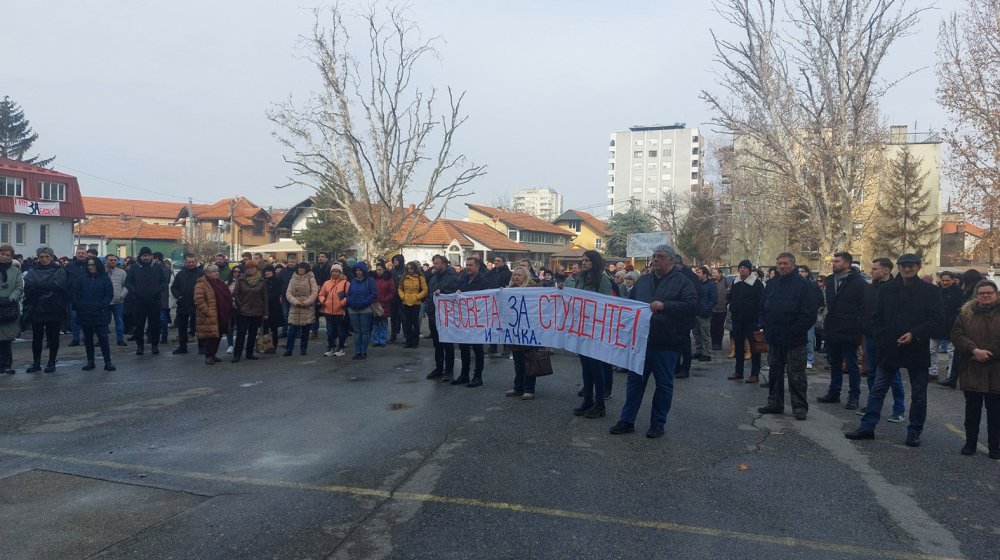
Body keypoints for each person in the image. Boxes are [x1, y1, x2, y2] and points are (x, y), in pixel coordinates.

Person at [846, 254, 943, 447]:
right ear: (898, 267)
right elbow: (876, 317)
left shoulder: (930, 291)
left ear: (918, 267)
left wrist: (914, 334)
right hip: (890, 346)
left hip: (916, 346)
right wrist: (882, 337)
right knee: (878, 389)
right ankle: (867, 427)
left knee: (918, 394)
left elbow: (936, 320)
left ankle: (914, 432)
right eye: (904, 266)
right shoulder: (887, 289)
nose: (907, 269)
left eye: (912, 266)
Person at [610, 245, 697, 438]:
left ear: (671, 261)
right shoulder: (644, 281)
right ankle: (627, 420)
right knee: (634, 383)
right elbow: (630, 304)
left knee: (664, 385)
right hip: (640, 343)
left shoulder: (683, 282)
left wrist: (665, 306)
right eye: (654, 256)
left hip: (666, 343)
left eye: (660, 257)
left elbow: (691, 307)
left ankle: (657, 423)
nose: (655, 260)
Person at [757, 253, 818, 421]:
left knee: (796, 375)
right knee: (774, 373)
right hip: (774, 338)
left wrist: (794, 331)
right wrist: (764, 325)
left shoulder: (803, 287)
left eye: (785, 263)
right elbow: (762, 307)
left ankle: (799, 407)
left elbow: (809, 314)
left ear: (793, 265)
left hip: (794, 340)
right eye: (779, 263)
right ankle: (774, 403)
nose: (782, 266)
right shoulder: (771, 285)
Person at [950, 280, 1000, 459]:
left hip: (996, 371)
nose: (986, 296)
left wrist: (989, 353)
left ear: (997, 295)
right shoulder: (965, 314)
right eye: (982, 293)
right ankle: (970, 443)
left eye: (989, 293)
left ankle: (995, 446)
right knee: (972, 411)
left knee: (996, 413)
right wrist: (974, 350)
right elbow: (956, 335)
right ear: (976, 296)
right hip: (972, 369)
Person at [816, 252, 866, 410]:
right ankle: (834, 392)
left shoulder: (858, 282)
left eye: (837, 261)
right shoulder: (830, 280)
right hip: (832, 327)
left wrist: (857, 327)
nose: (834, 263)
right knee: (834, 363)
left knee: (851, 364)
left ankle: (854, 396)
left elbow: (863, 307)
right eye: (833, 261)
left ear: (847, 264)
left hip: (850, 329)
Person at [567, 250, 614, 416]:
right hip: (581, 328)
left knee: (596, 367)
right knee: (586, 367)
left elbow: (606, 304)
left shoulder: (603, 280)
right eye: (583, 260)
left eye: (587, 260)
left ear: (595, 262)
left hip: (595, 329)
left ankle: (600, 403)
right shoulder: (580, 278)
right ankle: (588, 399)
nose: (584, 263)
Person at [860, 258, 906, 422]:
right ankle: (873, 405)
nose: (871, 272)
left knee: (892, 375)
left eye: (875, 269)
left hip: (889, 339)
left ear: (886, 270)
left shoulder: (897, 289)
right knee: (872, 372)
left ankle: (899, 409)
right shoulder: (870, 288)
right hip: (871, 336)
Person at [23, 247, 69, 373]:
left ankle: (51, 362)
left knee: (53, 337)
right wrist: (48, 287)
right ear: (38, 258)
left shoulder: (59, 271)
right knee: (37, 337)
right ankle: (36, 363)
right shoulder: (32, 271)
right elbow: (29, 288)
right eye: (41, 257)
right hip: (37, 307)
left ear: (51, 257)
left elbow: (59, 287)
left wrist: (40, 286)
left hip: (54, 307)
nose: (44, 259)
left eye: (47, 256)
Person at [454, 256, 497, 387]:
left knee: (478, 350)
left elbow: (489, 298)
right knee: (464, 348)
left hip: (478, 320)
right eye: (466, 265)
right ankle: (464, 374)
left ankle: (478, 376)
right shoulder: (463, 279)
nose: (468, 267)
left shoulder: (483, 281)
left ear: (477, 267)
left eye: (471, 265)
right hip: (465, 320)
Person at [71, 256, 115, 371]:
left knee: (103, 338)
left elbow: (109, 294)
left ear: (97, 265)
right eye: (89, 265)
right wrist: (79, 306)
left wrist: (102, 305)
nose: (91, 267)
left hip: (100, 313)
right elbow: (75, 294)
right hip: (85, 313)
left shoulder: (105, 279)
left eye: (93, 265)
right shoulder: (82, 279)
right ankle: (90, 361)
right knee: (88, 339)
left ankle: (108, 362)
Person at [504, 266, 541, 400]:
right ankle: (518, 386)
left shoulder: (533, 291)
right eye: (515, 275)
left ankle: (529, 389)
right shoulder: (508, 291)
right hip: (515, 330)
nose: (516, 277)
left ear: (525, 277)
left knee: (529, 360)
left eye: (519, 275)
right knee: (518, 361)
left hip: (529, 330)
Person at [124, 246, 168, 356]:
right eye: (144, 256)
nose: (146, 258)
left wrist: (157, 290)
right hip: (139, 301)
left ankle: (154, 345)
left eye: (148, 255)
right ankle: (140, 346)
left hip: (154, 301)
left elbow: (164, 282)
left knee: (155, 325)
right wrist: (135, 291)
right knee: (139, 325)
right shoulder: (134, 267)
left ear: (151, 256)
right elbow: (127, 283)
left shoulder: (157, 267)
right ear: (140, 256)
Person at [727, 260, 763, 383]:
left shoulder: (756, 284)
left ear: (749, 270)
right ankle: (739, 372)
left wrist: (759, 319)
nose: (742, 270)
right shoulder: (735, 282)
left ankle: (755, 373)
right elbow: (731, 297)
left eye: (745, 268)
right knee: (738, 346)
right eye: (740, 267)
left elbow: (761, 302)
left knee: (754, 347)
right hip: (737, 319)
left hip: (751, 320)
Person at [426, 255, 459, 381]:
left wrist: (443, 291)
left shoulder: (452, 277)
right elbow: (430, 294)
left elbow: (453, 292)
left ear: (444, 264)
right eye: (434, 263)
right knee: (437, 343)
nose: (435, 265)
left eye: (437, 263)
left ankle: (449, 370)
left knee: (447, 343)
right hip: (434, 314)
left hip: (446, 316)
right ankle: (438, 368)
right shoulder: (433, 278)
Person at [193, 265, 233, 365]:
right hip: (209, 315)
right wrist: (207, 311)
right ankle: (208, 356)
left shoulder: (220, 283)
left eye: (216, 271)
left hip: (221, 313)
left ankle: (213, 354)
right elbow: (199, 300)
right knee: (210, 337)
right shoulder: (201, 284)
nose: (215, 273)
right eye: (212, 272)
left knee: (217, 335)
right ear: (206, 273)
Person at [231, 259, 268, 362]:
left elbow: (265, 297)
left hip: (257, 310)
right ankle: (237, 354)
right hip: (243, 311)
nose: (250, 270)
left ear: (257, 269)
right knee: (241, 334)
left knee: (253, 333)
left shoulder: (262, 281)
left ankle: (249, 352)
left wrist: (265, 313)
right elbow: (235, 293)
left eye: (252, 268)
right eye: (248, 268)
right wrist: (240, 304)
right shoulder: (241, 279)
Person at [936, 271, 964, 387]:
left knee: (952, 352)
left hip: (952, 324)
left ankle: (950, 375)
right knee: (932, 349)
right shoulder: (937, 291)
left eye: (947, 280)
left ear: (953, 280)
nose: (945, 283)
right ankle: (932, 372)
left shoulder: (959, 293)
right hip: (938, 324)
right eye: (943, 280)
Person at [170, 255, 203, 355]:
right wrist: (178, 296)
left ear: (196, 262)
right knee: (182, 327)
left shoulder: (201, 274)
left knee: (199, 327)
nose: (191, 264)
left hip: (197, 304)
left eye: (193, 262)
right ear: (185, 263)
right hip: (183, 304)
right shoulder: (181, 274)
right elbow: (174, 287)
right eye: (189, 262)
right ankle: (182, 347)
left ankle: (201, 347)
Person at [284, 262, 318, 356]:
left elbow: (314, 292)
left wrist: (306, 302)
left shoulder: (311, 279)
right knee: (292, 331)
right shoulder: (293, 279)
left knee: (305, 331)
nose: (301, 269)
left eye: (303, 268)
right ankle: (289, 349)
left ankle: (303, 349)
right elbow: (288, 293)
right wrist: (295, 302)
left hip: (307, 307)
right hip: (295, 307)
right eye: (299, 268)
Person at [0, 245, 23, 374]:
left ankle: (7, 365)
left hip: (9, 307)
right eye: (2, 254)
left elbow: (19, 287)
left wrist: (11, 299)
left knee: (7, 340)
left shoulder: (15, 271)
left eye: (8, 255)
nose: (5, 256)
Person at [318, 263, 349, 356]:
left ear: (340, 272)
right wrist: (323, 301)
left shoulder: (346, 283)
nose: (335, 273)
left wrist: (342, 303)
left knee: (341, 331)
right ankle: (330, 347)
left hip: (340, 311)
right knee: (330, 331)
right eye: (333, 271)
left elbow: (349, 296)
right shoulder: (326, 283)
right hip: (328, 311)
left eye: (337, 271)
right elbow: (321, 294)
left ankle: (341, 348)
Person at [397, 261, 427, 348]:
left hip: (416, 303)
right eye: (408, 268)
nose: (410, 270)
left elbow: (425, 290)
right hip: (406, 302)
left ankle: (415, 342)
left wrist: (417, 297)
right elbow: (400, 289)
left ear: (415, 269)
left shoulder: (420, 277)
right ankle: (408, 341)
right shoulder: (404, 277)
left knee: (415, 323)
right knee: (407, 324)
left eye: (411, 268)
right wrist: (403, 297)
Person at [692, 266, 717, 362]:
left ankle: (707, 353)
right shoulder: (696, 284)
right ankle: (699, 351)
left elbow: (713, 300)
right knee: (696, 334)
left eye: (699, 272)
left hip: (705, 314)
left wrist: (706, 309)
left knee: (705, 334)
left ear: (705, 274)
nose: (697, 274)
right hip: (696, 312)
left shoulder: (711, 285)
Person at [64, 246, 88, 346]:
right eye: (79, 253)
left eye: (82, 253)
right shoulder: (69, 266)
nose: (81, 255)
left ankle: (87, 337)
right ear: (76, 254)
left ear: (86, 255)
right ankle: (76, 338)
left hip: (87, 296)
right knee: (74, 319)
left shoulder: (89, 266)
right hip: (74, 297)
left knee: (87, 319)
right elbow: (65, 280)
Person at [105, 255, 128, 346]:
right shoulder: (102, 272)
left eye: (115, 260)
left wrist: (121, 296)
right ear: (106, 261)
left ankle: (120, 339)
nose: (113, 261)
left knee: (119, 321)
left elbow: (126, 285)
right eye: (111, 260)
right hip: (105, 301)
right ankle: (102, 339)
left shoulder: (122, 272)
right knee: (104, 322)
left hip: (118, 301)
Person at [261, 264, 285, 354]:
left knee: (274, 328)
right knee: (265, 328)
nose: (267, 273)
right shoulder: (263, 281)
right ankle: (266, 346)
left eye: (269, 271)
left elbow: (277, 292)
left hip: (274, 306)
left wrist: (267, 298)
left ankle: (274, 346)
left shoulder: (277, 280)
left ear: (273, 272)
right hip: (265, 307)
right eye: (266, 271)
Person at [372, 262, 395, 347]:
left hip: (384, 304)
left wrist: (386, 299)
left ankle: (382, 340)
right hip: (375, 304)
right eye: (377, 269)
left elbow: (392, 292)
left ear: (384, 270)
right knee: (375, 324)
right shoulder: (373, 279)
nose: (378, 271)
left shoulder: (389, 279)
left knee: (383, 323)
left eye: (380, 270)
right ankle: (375, 340)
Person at [311, 252, 332, 340]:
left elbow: (330, 279)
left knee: (327, 313)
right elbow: (312, 278)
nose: (320, 258)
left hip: (326, 292)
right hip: (316, 291)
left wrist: (322, 286)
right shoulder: (315, 267)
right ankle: (314, 332)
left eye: (322, 257)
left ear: (326, 258)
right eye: (319, 257)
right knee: (314, 313)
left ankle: (330, 333)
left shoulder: (330, 268)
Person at [709, 268, 730, 352]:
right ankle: (714, 343)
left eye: (715, 272)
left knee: (719, 327)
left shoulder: (725, 281)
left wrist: (726, 301)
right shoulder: (710, 282)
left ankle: (718, 343)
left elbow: (730, 292)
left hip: (722, 309)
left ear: (720, 274)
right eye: (712, 272)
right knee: (712, 327)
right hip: (712, 309)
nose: (713, 274)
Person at [388, 254, 406, 344]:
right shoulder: (392, 271)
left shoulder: (404, 271)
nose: (394, 262)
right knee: (393, 318)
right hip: (393, 298)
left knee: (403, 318)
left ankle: (405, 336)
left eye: (396, 261)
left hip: (402, 298)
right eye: (393, 261)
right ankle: (393, 336)